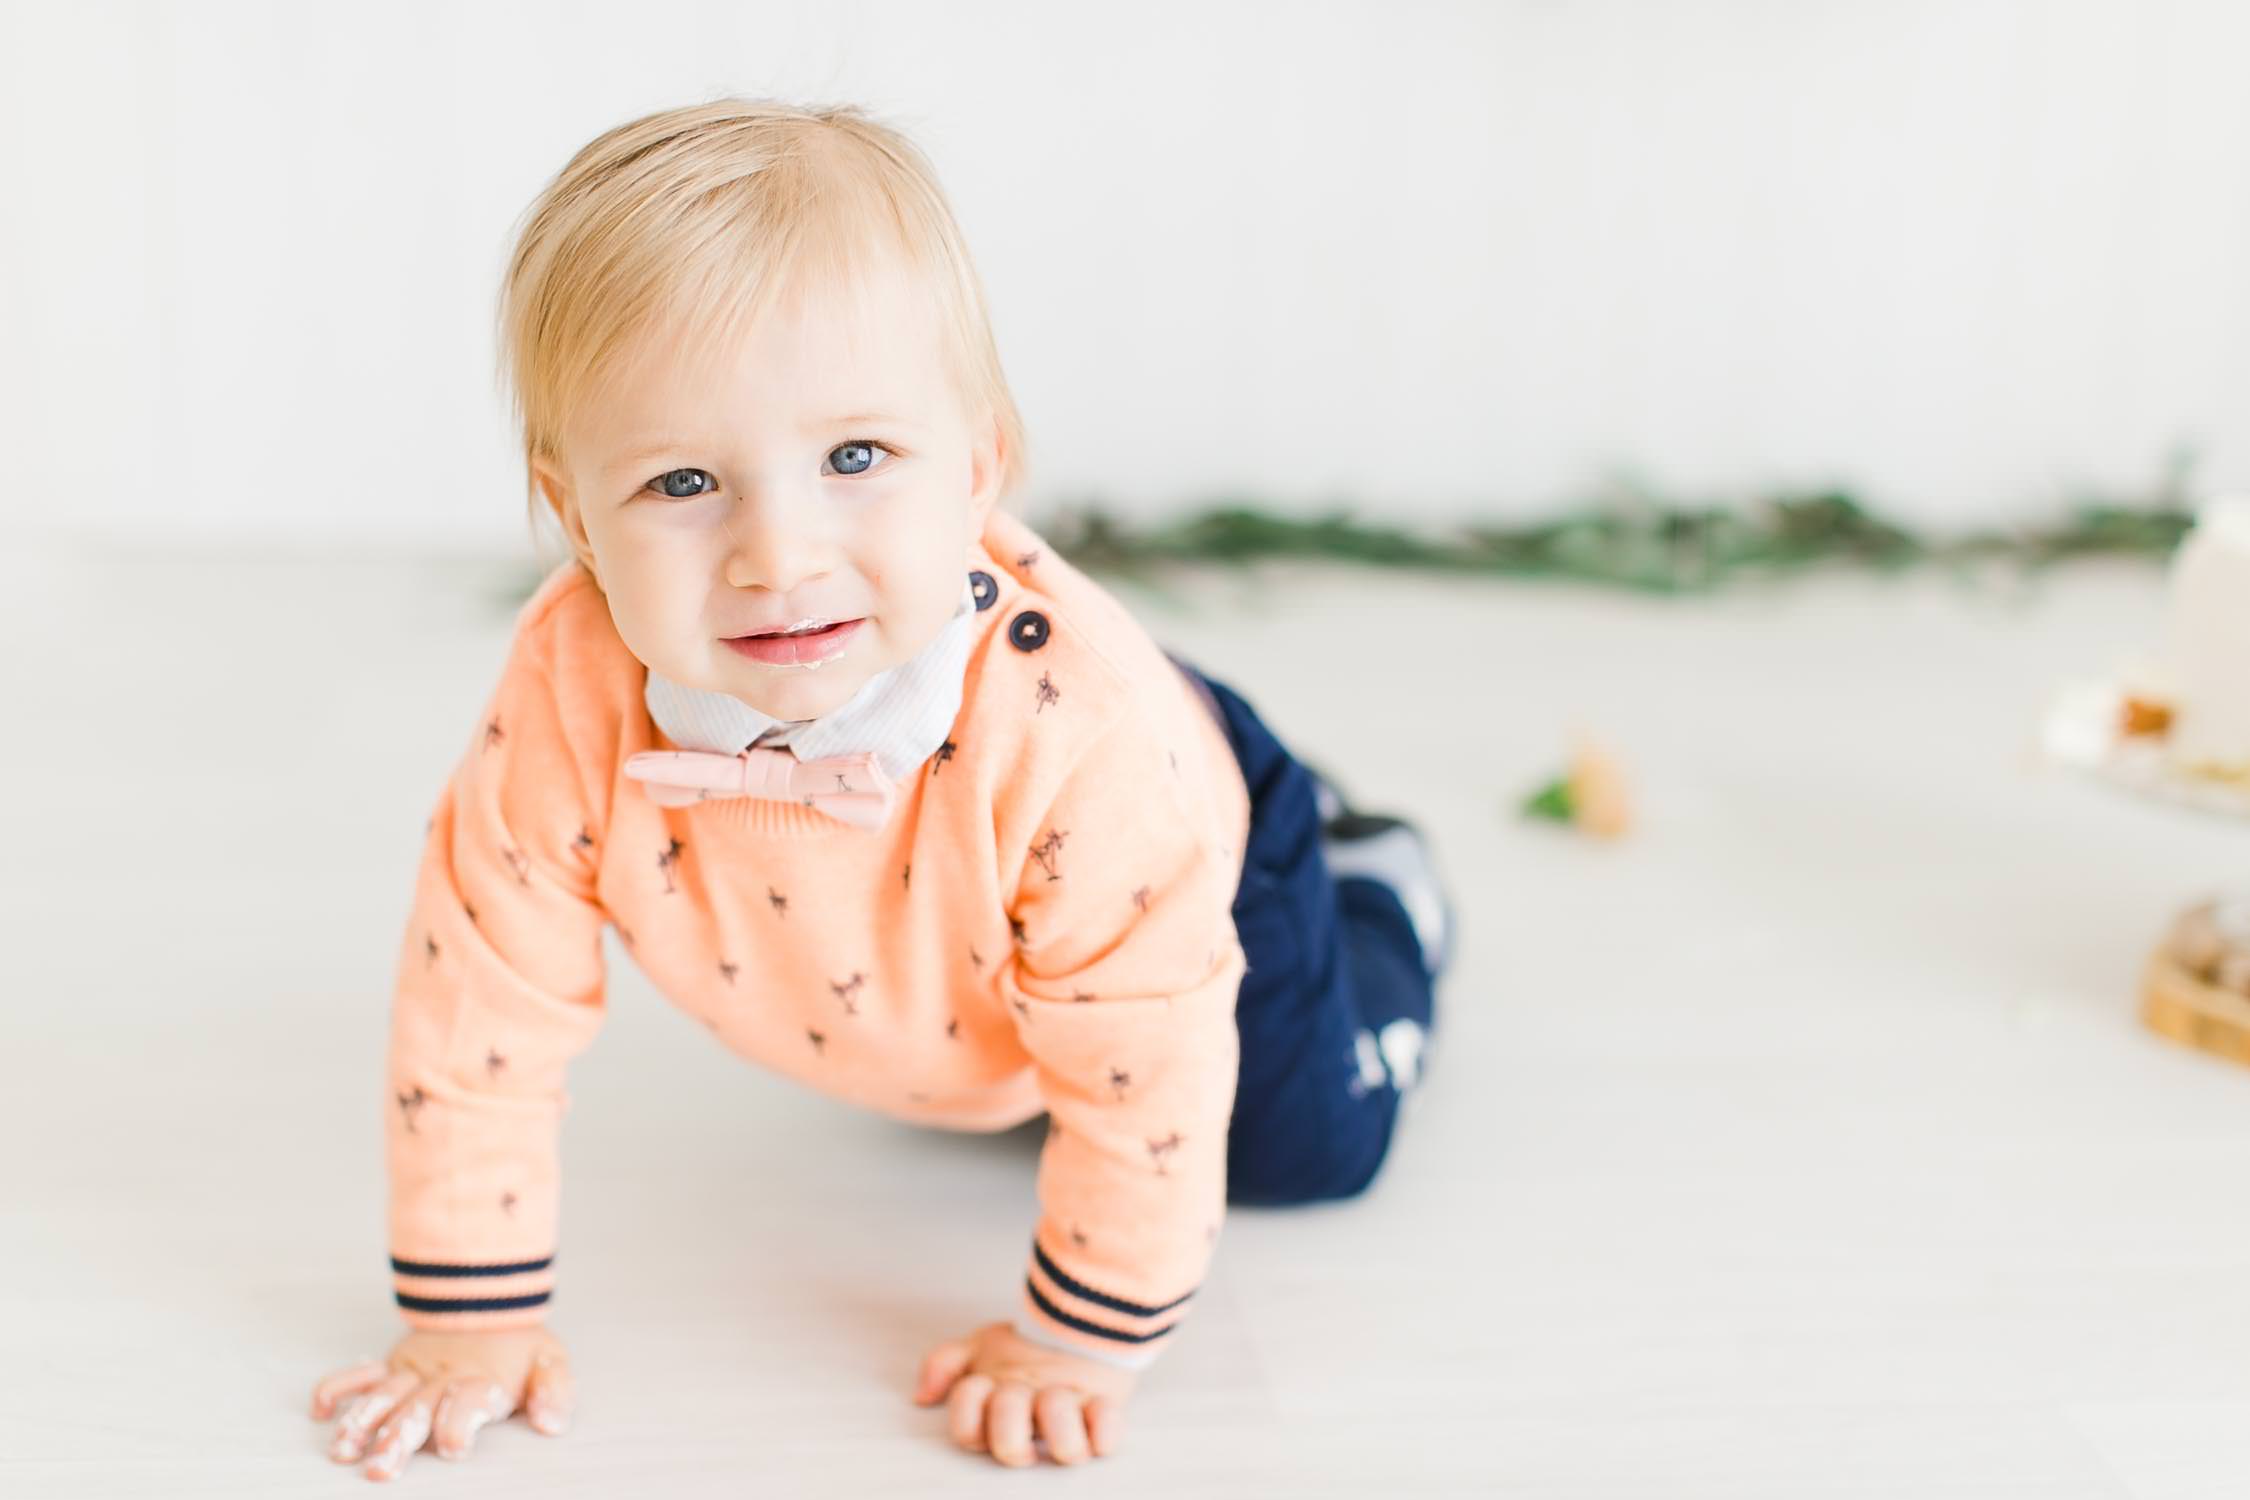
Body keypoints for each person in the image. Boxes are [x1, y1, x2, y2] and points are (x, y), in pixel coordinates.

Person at [307, 96, 1455, 1480]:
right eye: (682, 481)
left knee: (1296, 1149)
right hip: (962, 937)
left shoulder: (1083, 752)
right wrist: (467, 1323)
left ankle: (1369, 879)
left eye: (856, 458)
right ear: (574, 519)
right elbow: (480, 1003)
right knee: (1012, 1082)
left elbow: (1145, 1080)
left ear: (977, 469)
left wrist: (1077, 1342)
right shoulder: (566, 691)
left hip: (1174, 846)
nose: (778, 554)